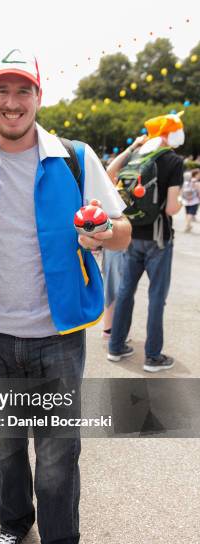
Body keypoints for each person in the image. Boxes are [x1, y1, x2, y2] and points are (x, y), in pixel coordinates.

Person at [0, 48, 130, 544]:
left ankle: (58, 543)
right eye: (2, 91)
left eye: (23, 91)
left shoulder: (74, 157)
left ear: (40, 96)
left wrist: (104, 233)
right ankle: (14, 525)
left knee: (58, 449)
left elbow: (124, 229)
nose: (13, 103)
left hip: (56, 336)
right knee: (5, 441)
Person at [107, 112, 184, 372]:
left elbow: (110, 171)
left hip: (132, 235)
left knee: (126, 291)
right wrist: (181, 202)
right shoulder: (173, 161)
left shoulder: (137, 156)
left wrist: (132, 146)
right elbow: (172, 208)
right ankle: (153, 357)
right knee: (156, 297)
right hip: (159, 240)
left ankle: (115, 347)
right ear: (171, 134)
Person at [101, 135, 147, 339]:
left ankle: (110, 328)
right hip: (118, 237)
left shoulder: (130, 183)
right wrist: (133, 148)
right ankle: (111, 330)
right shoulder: (118, 184)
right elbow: (109, 171)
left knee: (115, 281)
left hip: (122, 235)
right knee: (117, 283)